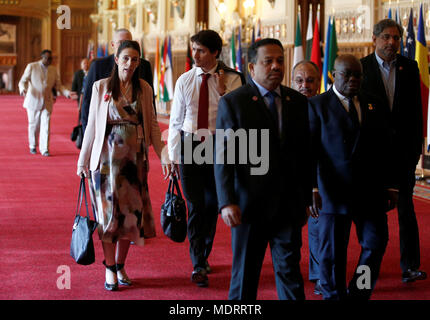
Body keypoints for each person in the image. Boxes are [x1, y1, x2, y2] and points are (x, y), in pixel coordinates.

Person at [215, 38, 312, 300]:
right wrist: (226, 201)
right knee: (245, 276)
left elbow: (304, 154)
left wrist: (306, 196)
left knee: (290, 273)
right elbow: (223, 157)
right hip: (249, 206)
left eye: (280, 60)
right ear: (251, 67)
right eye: (267, 61)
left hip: (288, 206)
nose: (275, 66)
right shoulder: (234, 103)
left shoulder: (297, 101)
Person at [77, 40, 171, 291]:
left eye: (135, 59)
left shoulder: (144, 88)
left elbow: (152, 125)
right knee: (108, 218)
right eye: (126, 58)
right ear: (116, 59)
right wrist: (83, 159)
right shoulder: (101, 87)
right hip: (106, 161)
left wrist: (163, 154)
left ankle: (120, 265)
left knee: (131, 219)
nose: (130, 64)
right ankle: (109, 269)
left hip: (134, 161)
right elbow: (91, 128)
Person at [308, 54, 399, 300]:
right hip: (332, 192)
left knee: (375, 243)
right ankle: (333, 295)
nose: (353, 80)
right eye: (347, 74)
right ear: (333, 75)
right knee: (332, 253)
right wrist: (312, 188)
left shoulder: (375, 103)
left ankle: (359, 292)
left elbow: (386, 147)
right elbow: (309, 151)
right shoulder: (317, 105)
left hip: (370, 192)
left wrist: (391, 184)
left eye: (357, 75)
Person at [167, 29, 244, 287]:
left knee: (211, 205)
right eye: (193, 49)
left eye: (200, 50)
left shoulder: (233, 80)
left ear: (214, 53)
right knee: (195, 206)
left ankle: (204, 253)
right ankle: (198, 263)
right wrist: (173, 157)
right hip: (190, 145)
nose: (195, 55)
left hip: (217, 146)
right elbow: (176, 121)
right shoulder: (184, 80)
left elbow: (237, 120)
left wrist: (223, 93)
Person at [361, 19, 426, 283]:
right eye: (386, 37)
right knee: (373, 215)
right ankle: (369, 271)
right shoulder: (361, 68)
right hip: (372, 155)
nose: (391, 43)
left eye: (396, 38)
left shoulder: (410, 67)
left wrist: (414, 152)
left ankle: (410, 266)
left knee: (407, 211)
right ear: (374, 39)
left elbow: (415, 113)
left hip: (402, 154)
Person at [81, 28, 153, 132]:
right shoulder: (98, 66)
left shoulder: (144, 66)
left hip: (136, 133)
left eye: (128, 42)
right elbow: (87, 101)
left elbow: (150, 104)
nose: (125, 46)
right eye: (121, 42)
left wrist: (149, 131)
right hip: (105, 132)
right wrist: (86, 131)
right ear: (113, 45)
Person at [291, 60, 322, 295]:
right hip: (289, 182)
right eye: (299, 81)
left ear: (319, 82)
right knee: (290, 237)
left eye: (310, 80)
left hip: (319, 181)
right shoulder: (284, 107)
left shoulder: (327, 107)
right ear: (292, 82)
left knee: (319, 229)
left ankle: (319, 275)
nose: (305, 85)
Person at [18, 49, 75, 156]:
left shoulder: (53, 70)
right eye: (47, 58)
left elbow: (59, 85)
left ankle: (45, 149)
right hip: (33, 100)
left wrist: (67, 93)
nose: (49, 60)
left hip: (47, 101)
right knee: (34, 125)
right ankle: (33, 146)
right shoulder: (32, 66)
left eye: (51, 59)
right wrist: (23, 89)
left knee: (46, 125)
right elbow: (23, 81)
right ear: (42, 57)